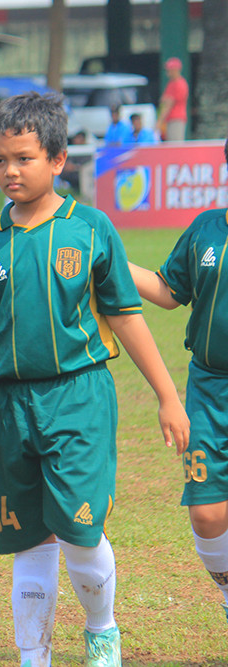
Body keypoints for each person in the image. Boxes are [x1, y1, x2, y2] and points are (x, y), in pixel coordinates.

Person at [0, 93, 189, 666]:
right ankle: (31, 655)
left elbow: (127, 316)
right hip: (5, 405)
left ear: (58, 159)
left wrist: (168, 396)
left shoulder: (89, 228)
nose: (10, 171)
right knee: (27, 542)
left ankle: (101, 631)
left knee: (80, 534)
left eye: (24, 158)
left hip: (78, 398)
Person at [126, 138, 228, 624]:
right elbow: (169, 291)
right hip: (208, 390)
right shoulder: (206, 228)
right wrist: (110, 258)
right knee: (207, 512)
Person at [157, 56, 189, 142]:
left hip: (176, 119)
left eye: (169, 70)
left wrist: (160, 121)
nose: (168, 72)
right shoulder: (171, 83)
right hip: (169, 119)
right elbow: (163, 100)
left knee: (175, 144)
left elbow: (168, 103)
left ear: (175, 70)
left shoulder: (180, 84)